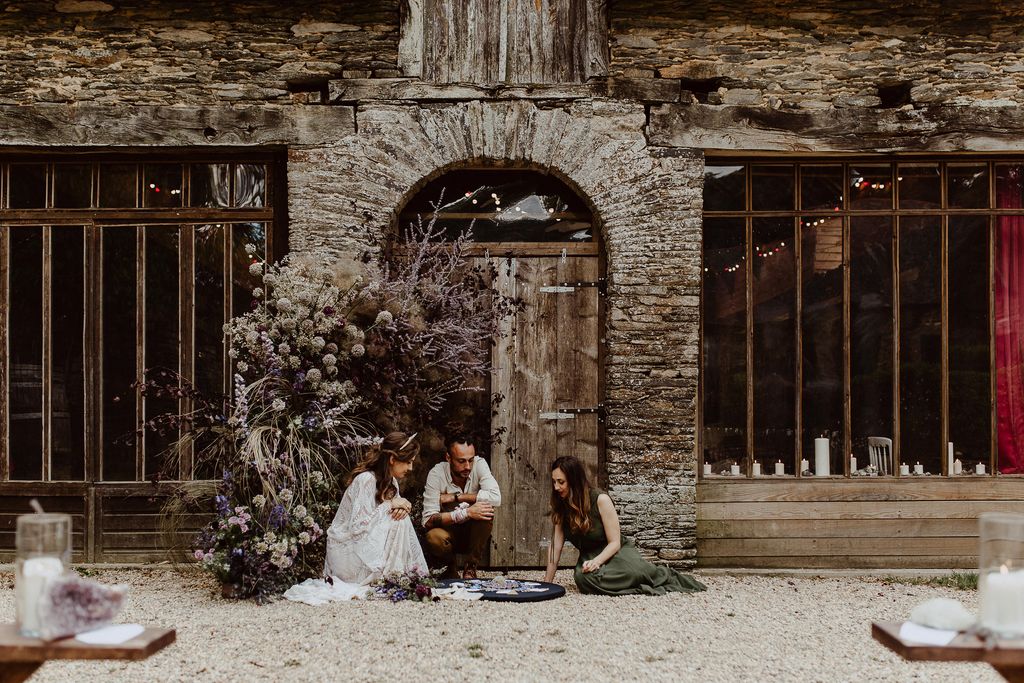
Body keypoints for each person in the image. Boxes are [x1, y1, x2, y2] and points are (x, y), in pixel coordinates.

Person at [284, 432, 427, 604]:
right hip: (346, 549)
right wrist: (390, 506)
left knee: (400, 519)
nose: (410, 468)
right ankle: (391, 576)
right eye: (408, 462)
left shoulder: (391, 482)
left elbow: (388, 515)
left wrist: (402, 509)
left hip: (365, 545)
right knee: (397, 519)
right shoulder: (366, 479)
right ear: (392, 459)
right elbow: (357, 527)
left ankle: (395, 576)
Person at [543, 455, 706, 596]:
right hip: (590, 556)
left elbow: (615, 543)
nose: (556, 487)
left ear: (574, 481)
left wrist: (597, 562)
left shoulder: (600, 500)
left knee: (636, 572)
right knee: (582, 579)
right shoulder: (561, 506)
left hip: (616, 552)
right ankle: (635, 586)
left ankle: (660, 573)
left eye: (561, 482)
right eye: (554, 482)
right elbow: (555, 548)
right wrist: (547, 584)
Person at [421, 432, 501, 579]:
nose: (467, 466)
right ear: (448, 458)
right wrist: (466, 513)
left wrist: (456, 497)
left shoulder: (479, 464)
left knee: (486, 510)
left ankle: (470, 568)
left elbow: (496, 498)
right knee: (434, 537)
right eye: (461, 461)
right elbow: (427, 521)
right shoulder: (436, 474)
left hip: (473, 533)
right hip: (448, 533)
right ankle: (450, 569)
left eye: (470, 460)